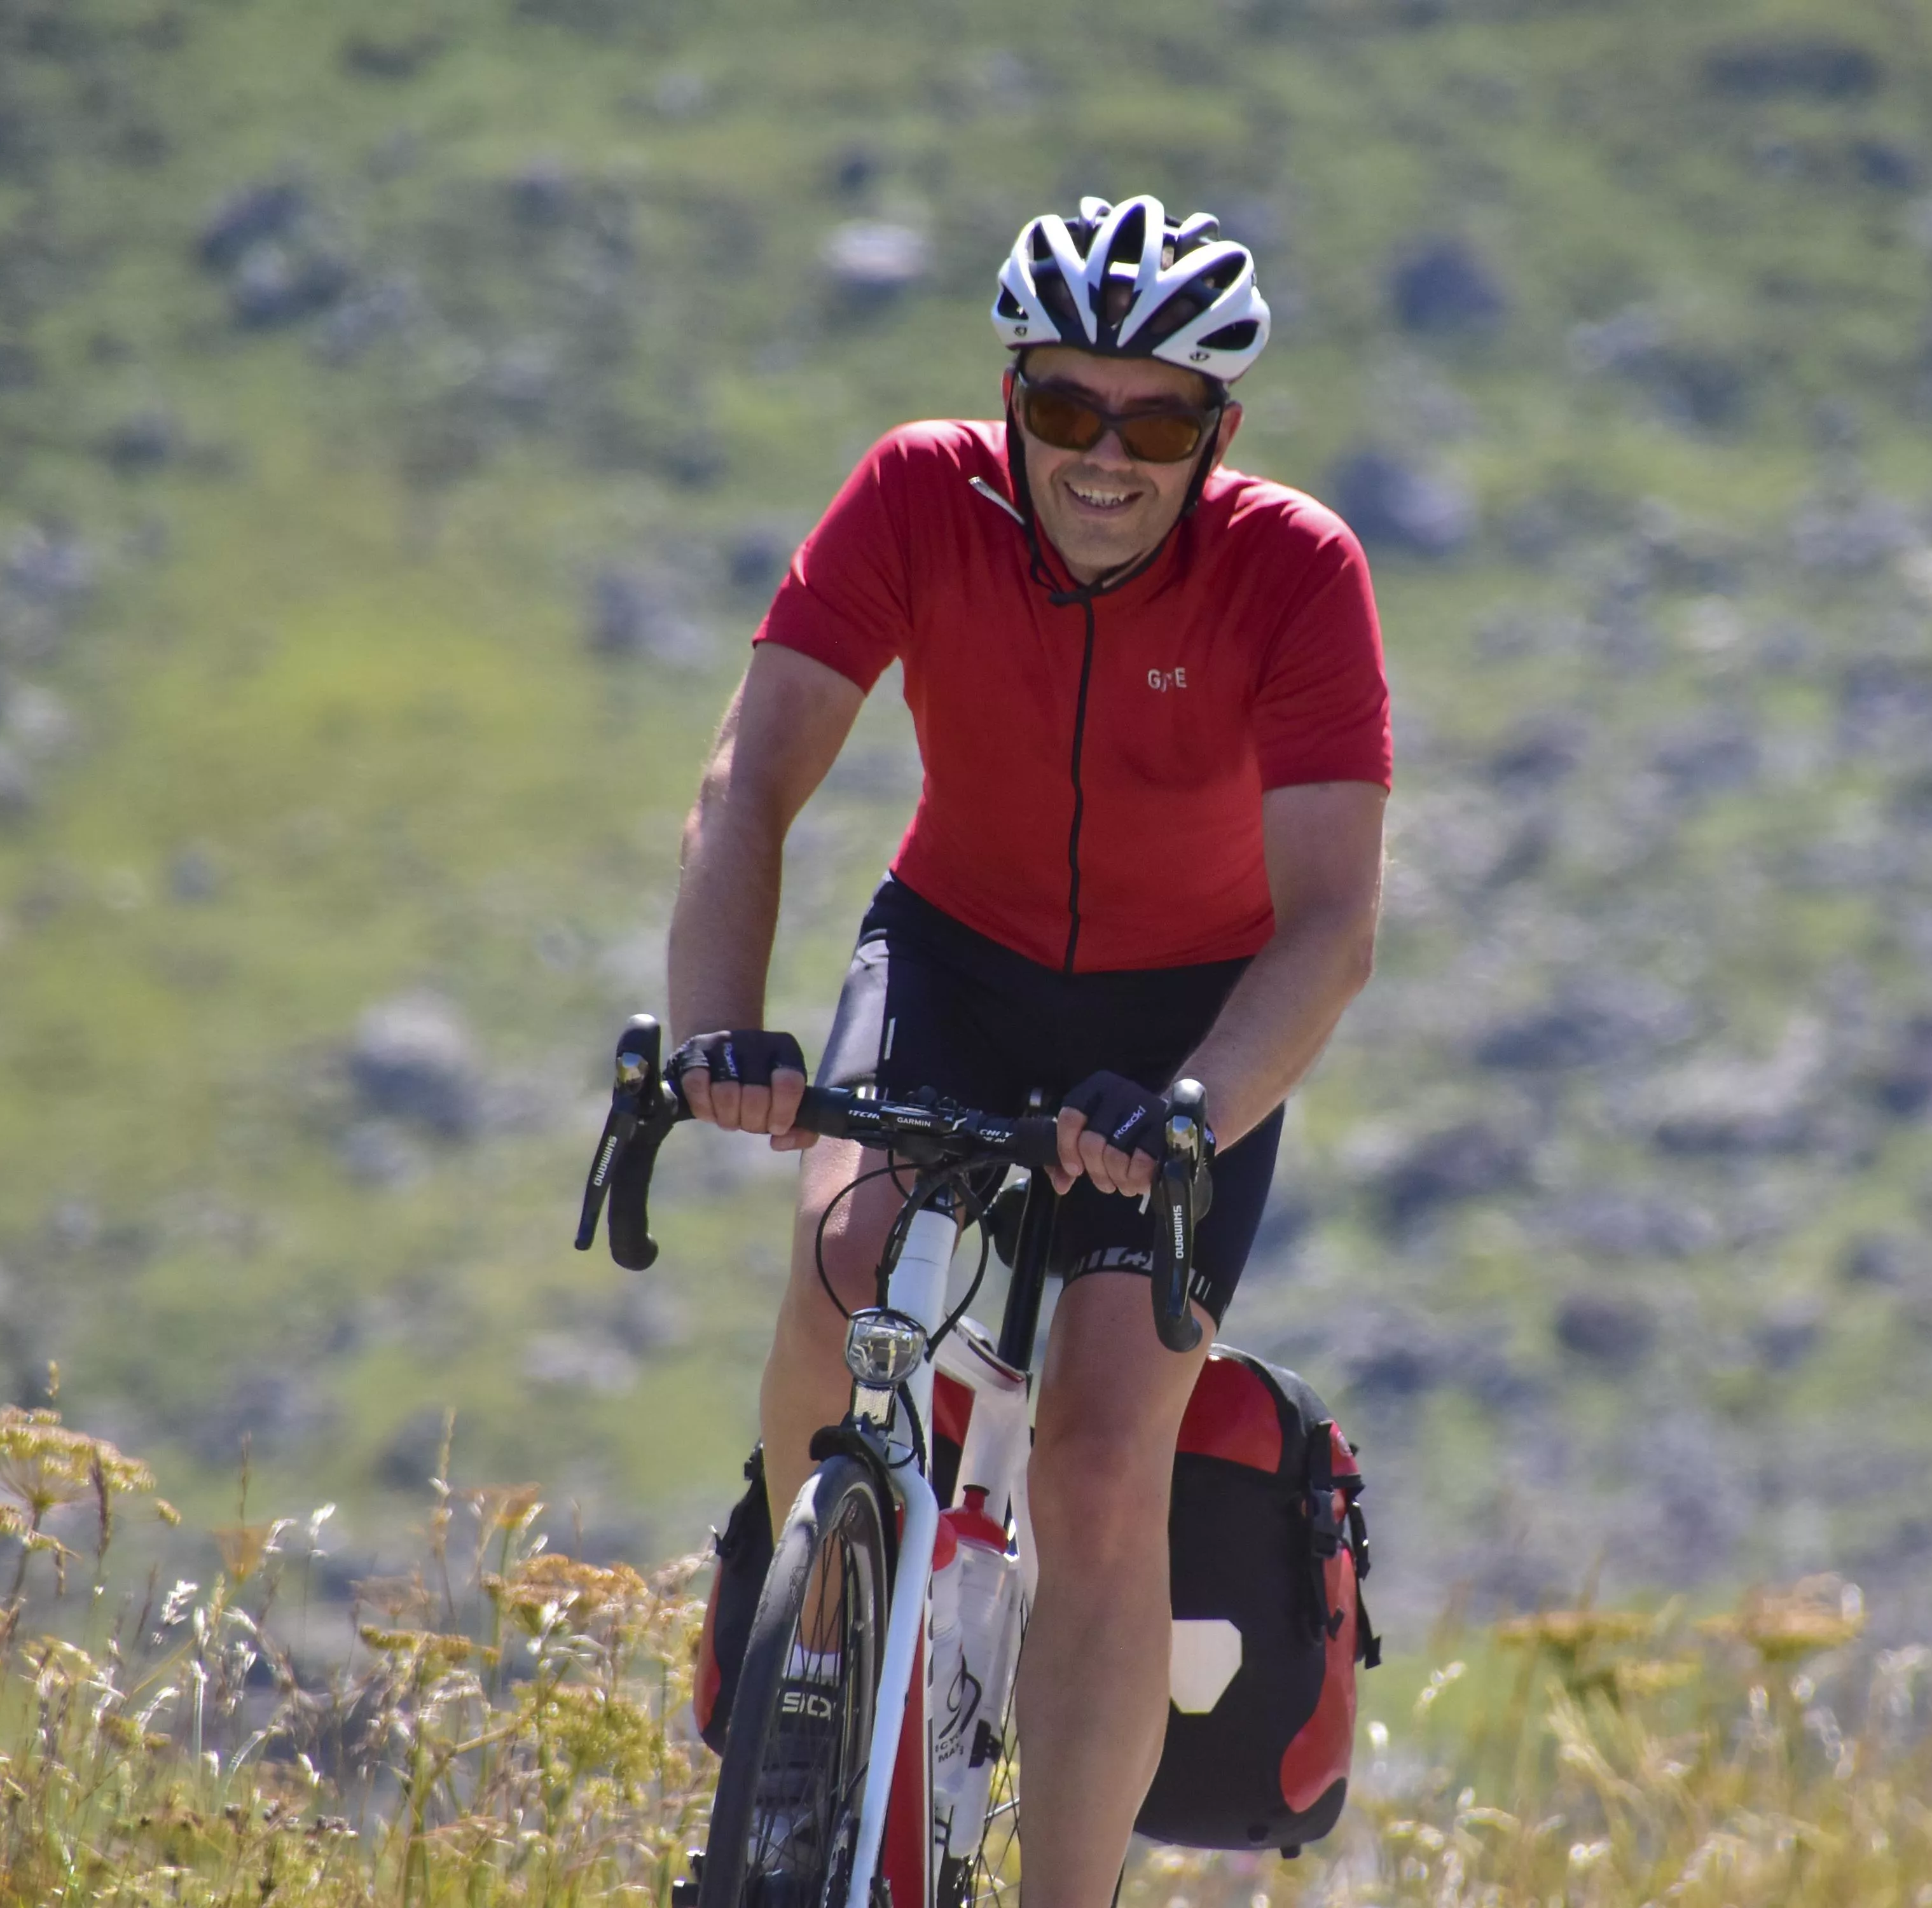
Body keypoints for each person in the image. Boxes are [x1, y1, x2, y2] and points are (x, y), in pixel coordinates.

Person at [664, 193, 1391, 1908]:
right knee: (842, 1273)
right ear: (1011, 400)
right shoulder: (918, 494)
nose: (1106, 460)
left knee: (1099, 1449)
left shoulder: (1298, 572)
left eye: (1157, 424)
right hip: (958, 964)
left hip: (1186, 1028)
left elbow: (1330, 927)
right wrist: (716, 1031)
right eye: (1066, 410)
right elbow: (748, 781)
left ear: (1222, 436)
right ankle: (815, 1686)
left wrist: (1197, 1103)